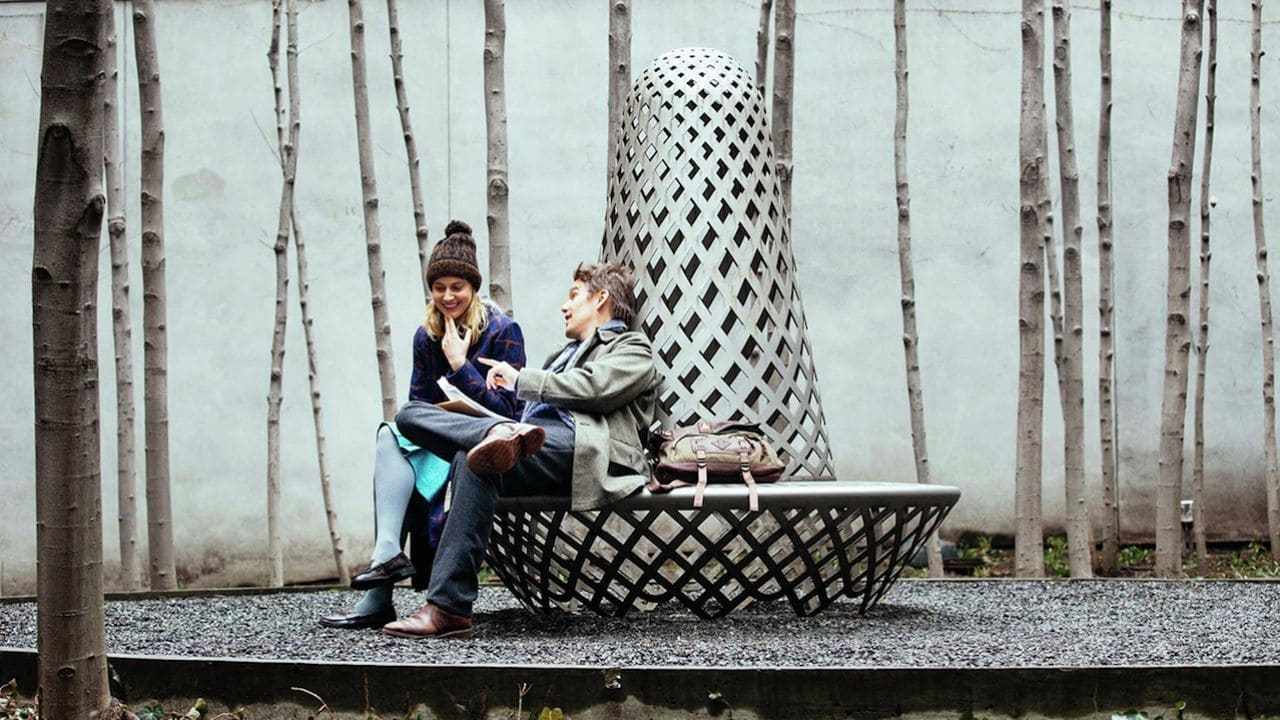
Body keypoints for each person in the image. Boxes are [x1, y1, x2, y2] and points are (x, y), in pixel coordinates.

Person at [380, 261, 659, 639]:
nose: (564, 305)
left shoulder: (631, 347)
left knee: (482, 448)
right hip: (538, 444)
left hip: (588, 449)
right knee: (417, 420)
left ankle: (444, 606)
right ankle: (449, 609)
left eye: (574, 295)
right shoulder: (563, 355)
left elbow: (595, 388)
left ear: (601, 299)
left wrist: (520, 380)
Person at [320, 220, 527, 630]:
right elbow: (420, 409)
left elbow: (510, 414)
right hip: (436, 442)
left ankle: (379, 593)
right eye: (439, 287)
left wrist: (460, 365)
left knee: (397, 437)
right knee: (394, 431)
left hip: (485, 446)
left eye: (457, 287)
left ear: (473, 288)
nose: (448, 296)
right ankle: (386, 560)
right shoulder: (425, 335)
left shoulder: (503, 331)